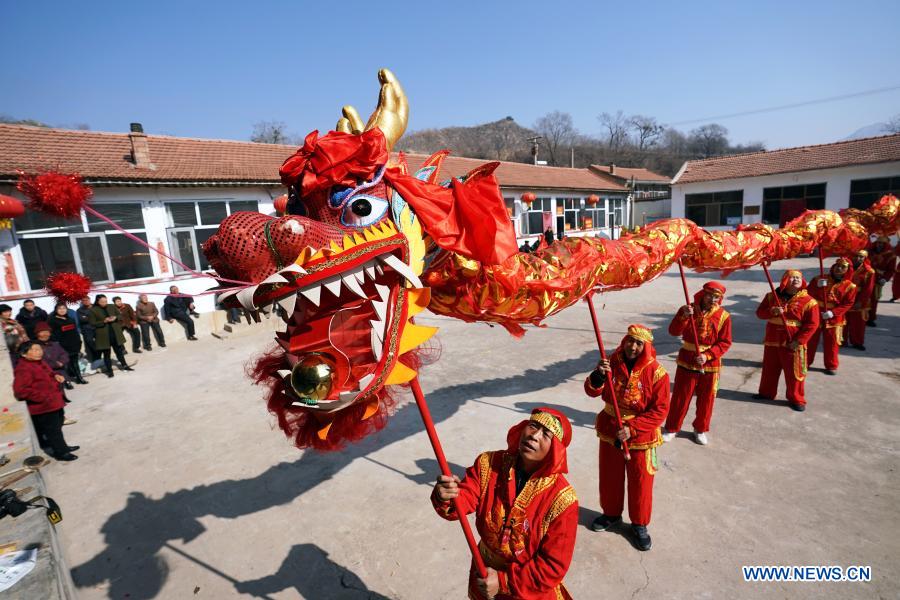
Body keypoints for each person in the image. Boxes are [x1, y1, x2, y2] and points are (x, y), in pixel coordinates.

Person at [432, 407, 577, 600]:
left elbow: (552, 566)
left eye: (546, 434)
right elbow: (465, 496)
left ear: (555, 450)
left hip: (526, 587)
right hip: (483, 572)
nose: (534, 436)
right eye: (533, 426)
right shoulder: (490, 463)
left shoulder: (562, 500)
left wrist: (503, 582)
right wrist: (448, 495)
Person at [583, 324, 669, 551]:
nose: (633, 346)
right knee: (609, 475)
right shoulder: (609, 363)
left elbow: (660, 410)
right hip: (610, 427)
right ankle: (611, 514)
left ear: (646, 347)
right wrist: (598, 375)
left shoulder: (657, 373)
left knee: (641, 481)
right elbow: (592, 391)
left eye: (639, 343)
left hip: (641, 435)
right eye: (630, 341)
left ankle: (640, 524)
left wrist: (633, 428)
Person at [663, 282, 732, 446]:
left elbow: (725, 342)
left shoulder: (724, 316)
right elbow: (673, 331)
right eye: (710, 295)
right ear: (703, 294)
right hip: (687, 359)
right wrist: (684, 317)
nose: (713, 299)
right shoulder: (688, 309)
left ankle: (700, 429)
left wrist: (708, 356)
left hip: (710, 364)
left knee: (706, 399)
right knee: (681, 396)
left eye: (717, 297)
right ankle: (672, 428)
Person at [754, 270, 819, 411]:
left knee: (794, 372)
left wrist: (799, 341)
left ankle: (796, 398)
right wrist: (772, 311)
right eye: (792, 277)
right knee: (769, 369)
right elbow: (759, 313)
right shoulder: (772, 296)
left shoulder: (809, 301)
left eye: (798, 277)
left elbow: (812, 324)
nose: (795, 280)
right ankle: (766, 393)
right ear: (784, 280)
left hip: (792, 341)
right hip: (772, 339)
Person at [13, 341, 78, 461]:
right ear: (24, 354)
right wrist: (43, 397)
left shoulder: (40, 362)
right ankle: (61, 453)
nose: (39, 352)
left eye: (39, 349)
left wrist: (56, 375)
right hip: (44, 406)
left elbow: (50, 373)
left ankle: (62, 446)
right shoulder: (23, 368)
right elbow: (20, 391)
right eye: (35, 350)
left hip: (55, 402)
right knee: (52, 430)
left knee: (57, 426)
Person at [806, 258, 858, 375]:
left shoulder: (850, 286)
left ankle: (831, 365)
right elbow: (807, 294)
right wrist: (816, 286)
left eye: (842, 267)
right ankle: (805, 362)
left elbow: (848, 303)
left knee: (832, 342)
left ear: (847, 270)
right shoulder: (819, 279)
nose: (838, 268)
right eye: (837, 265)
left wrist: (833, 313)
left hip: (834, 317)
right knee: (810, 340)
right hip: (816, 313)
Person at [88, 294, 132, 377]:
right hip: (103, 335)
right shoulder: (93, 310)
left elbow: (120, 315)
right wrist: (104, 321)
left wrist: (115, 317)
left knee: (119, 351)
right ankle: (110, 371)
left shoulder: (111, 306)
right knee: (107, 354)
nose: (105, 303)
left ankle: (125, 366)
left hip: (115, 333)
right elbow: (92, 323)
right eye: (102, 302)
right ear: (98, 301)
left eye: (106, 301)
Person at [49, 303, 88, 385]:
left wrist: (79, 341)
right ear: (56, 310)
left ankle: (79, 378)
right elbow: (51, 334)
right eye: (60, 308)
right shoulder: (52, 320)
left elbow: (75, 331)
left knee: (75, 362)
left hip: (73, 344)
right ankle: (66, 381)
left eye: (64, 308)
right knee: (65, 363)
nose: (62, 310)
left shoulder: (70, 319)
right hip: (62, 345)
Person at [846, 250, 875, 350]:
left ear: (865, 258)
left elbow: (868, 289)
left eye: (861, 257)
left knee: (858, 323)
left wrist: (860, 301)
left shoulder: (869, 271)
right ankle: (841, 340)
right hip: (845, 297)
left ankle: (857, 342)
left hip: (859, 298)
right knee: (844, 321)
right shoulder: (845, 267)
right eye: (856, 256)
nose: (858, 258)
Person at [868, 236, 895, 325]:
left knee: (873, 300)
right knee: (863, 298)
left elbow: (891, 270)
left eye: (881, 243)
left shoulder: (891, 255)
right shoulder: (869, 252)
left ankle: (871, 318)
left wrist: (885, 278)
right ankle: (861, 318)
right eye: (878, 243)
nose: (879, 245)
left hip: (878, 279)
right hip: (866, 278)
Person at [76, 296, 99, 370]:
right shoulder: (79, 310)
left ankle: (99, 357)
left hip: (97, 327)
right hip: (87, 329)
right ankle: (93, 357)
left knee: (100, 342)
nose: (86, 301)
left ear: (90, 300)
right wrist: (92, 317)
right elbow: (82, 320)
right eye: (84, 300)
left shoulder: (95, 307)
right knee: (89, 342)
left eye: (87, 300)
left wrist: (87, 317)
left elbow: (99, 316)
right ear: (82, 302)